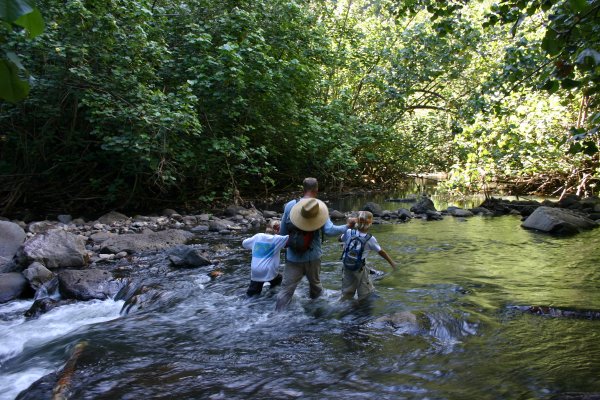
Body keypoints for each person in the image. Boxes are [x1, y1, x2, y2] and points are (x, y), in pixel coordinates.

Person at [275, 177, 356, 311]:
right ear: (316, 190)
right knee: (316, 288)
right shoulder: (319, 207)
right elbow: (329, 231)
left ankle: (276, 318)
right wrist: (347, 226)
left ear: (303, 189)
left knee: (285, 291)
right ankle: (316, 316)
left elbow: (283, 233)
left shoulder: (290, 205)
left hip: (293, 257)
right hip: (313, 257)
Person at [339, 210, 396, 302]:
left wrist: (349, 225)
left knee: (346, 293)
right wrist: (392, 263)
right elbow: (381, 252)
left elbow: (340, 239)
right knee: (366, 292)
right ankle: (362, 309)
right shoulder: (370, 239)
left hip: (346, 266)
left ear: (357, 221)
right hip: (360, 269)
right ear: (370, 223)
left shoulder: (349, 232)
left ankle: (344, 308)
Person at [242, 219, 289, 297]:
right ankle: (271, 295)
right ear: (277, 229)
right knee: (278, 280)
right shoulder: (278, 239)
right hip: (269, 271)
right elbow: (293, 238)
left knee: (252, 296)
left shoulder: (258, 236)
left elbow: (244, 243)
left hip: (256, 271)